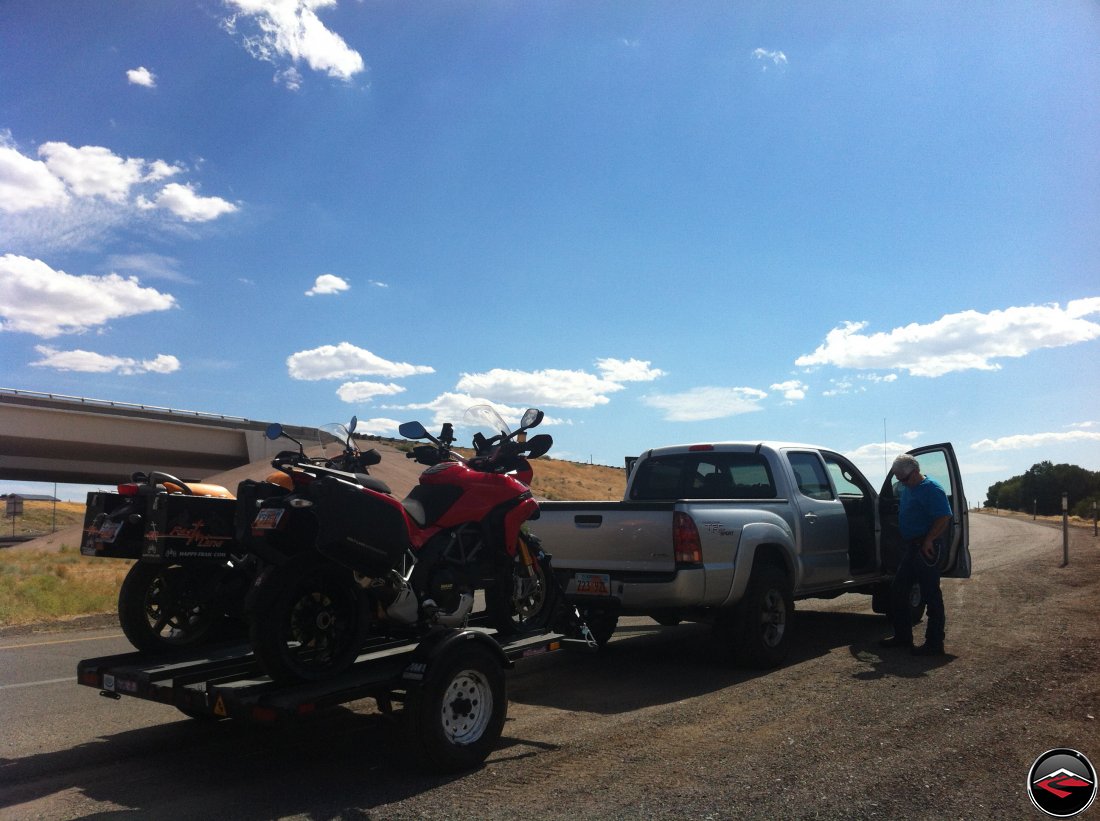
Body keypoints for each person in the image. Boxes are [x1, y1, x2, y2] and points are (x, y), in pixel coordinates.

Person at [879, 453, 952, 656]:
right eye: (898, 479)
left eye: (904, 478)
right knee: (898, 590)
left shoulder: (932, 489)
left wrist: (929, 539)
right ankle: (903, 637)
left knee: (931, 594)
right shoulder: (908, 487)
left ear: (916, 471)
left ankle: (934, 643)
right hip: (911, 547)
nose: (902, 483)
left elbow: (944, 517)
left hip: (927, 547)